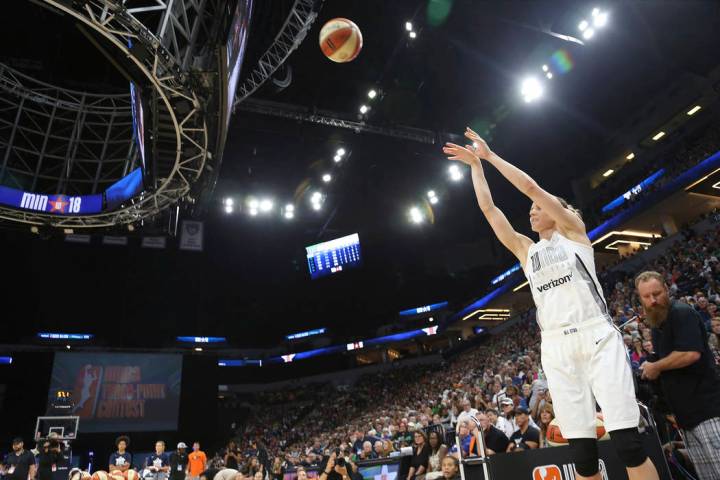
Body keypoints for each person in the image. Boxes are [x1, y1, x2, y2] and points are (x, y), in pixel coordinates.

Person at [443, 131, 660, 480]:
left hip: (597, 337)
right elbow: (489, 209)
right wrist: (475, 168)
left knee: (628, 446)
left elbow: (530, 187)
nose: (531, 211)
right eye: (530, 209)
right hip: (557, 347)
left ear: (560, 212)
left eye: (538, 207)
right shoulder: (527, 252)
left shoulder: (574, 232)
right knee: (584, 457)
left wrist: (491, 156)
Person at [636, 271, 720, 479]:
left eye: (656, 293)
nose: (653, 300)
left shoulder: (681, 312)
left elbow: (690, 353)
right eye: (646, 296)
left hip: (707, 411)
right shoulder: (657, 322)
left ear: (666, 288)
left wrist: (656, 367)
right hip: (687, 417)